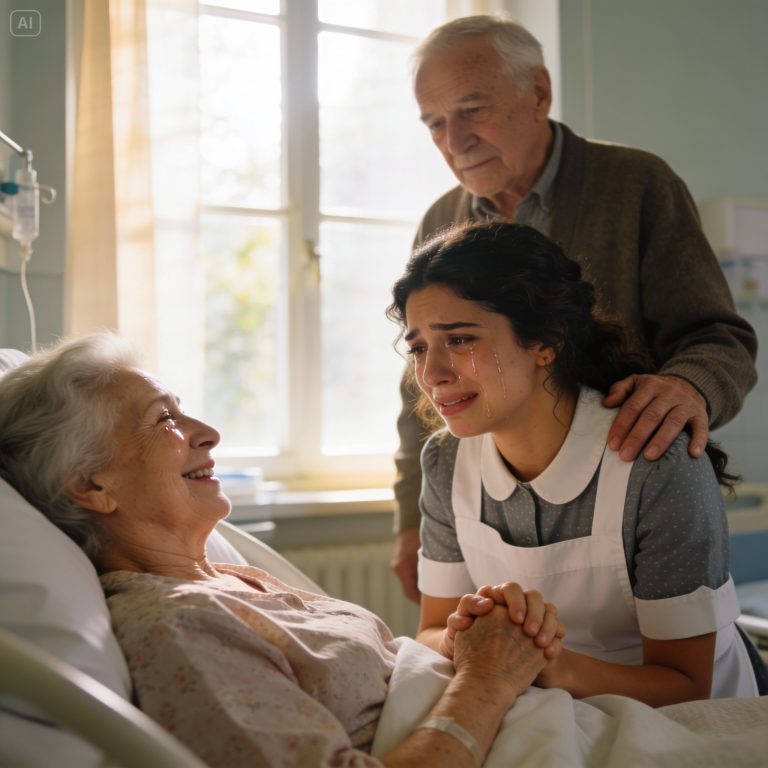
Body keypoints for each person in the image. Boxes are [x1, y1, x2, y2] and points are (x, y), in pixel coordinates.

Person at [0, 332, 564, 768]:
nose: (208, 432)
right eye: (164, 418)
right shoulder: (178, 626)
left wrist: (468, 649)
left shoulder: (224, 581)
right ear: (91, 484)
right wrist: (486, 679)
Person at [390, 14, 758, 602]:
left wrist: (688, 386)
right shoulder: (442, 222)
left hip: (631, 492)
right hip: (500, 510)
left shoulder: (637, 185)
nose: (455, 142)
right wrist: (412, 517)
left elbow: (719, 337)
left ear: (538, 93)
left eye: (472, 110)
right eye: (435, 123)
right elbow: (422, 386)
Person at [386, 221, 766, 706]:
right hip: (556, 704)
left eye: (459, 340)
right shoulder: (444, 460)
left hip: (689, 719)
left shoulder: (652, 462)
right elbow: (432, 631)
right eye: (418, 348)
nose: (431, 374)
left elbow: (685, 685)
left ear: (547, 340)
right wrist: (469, 635)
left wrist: (546, 662)